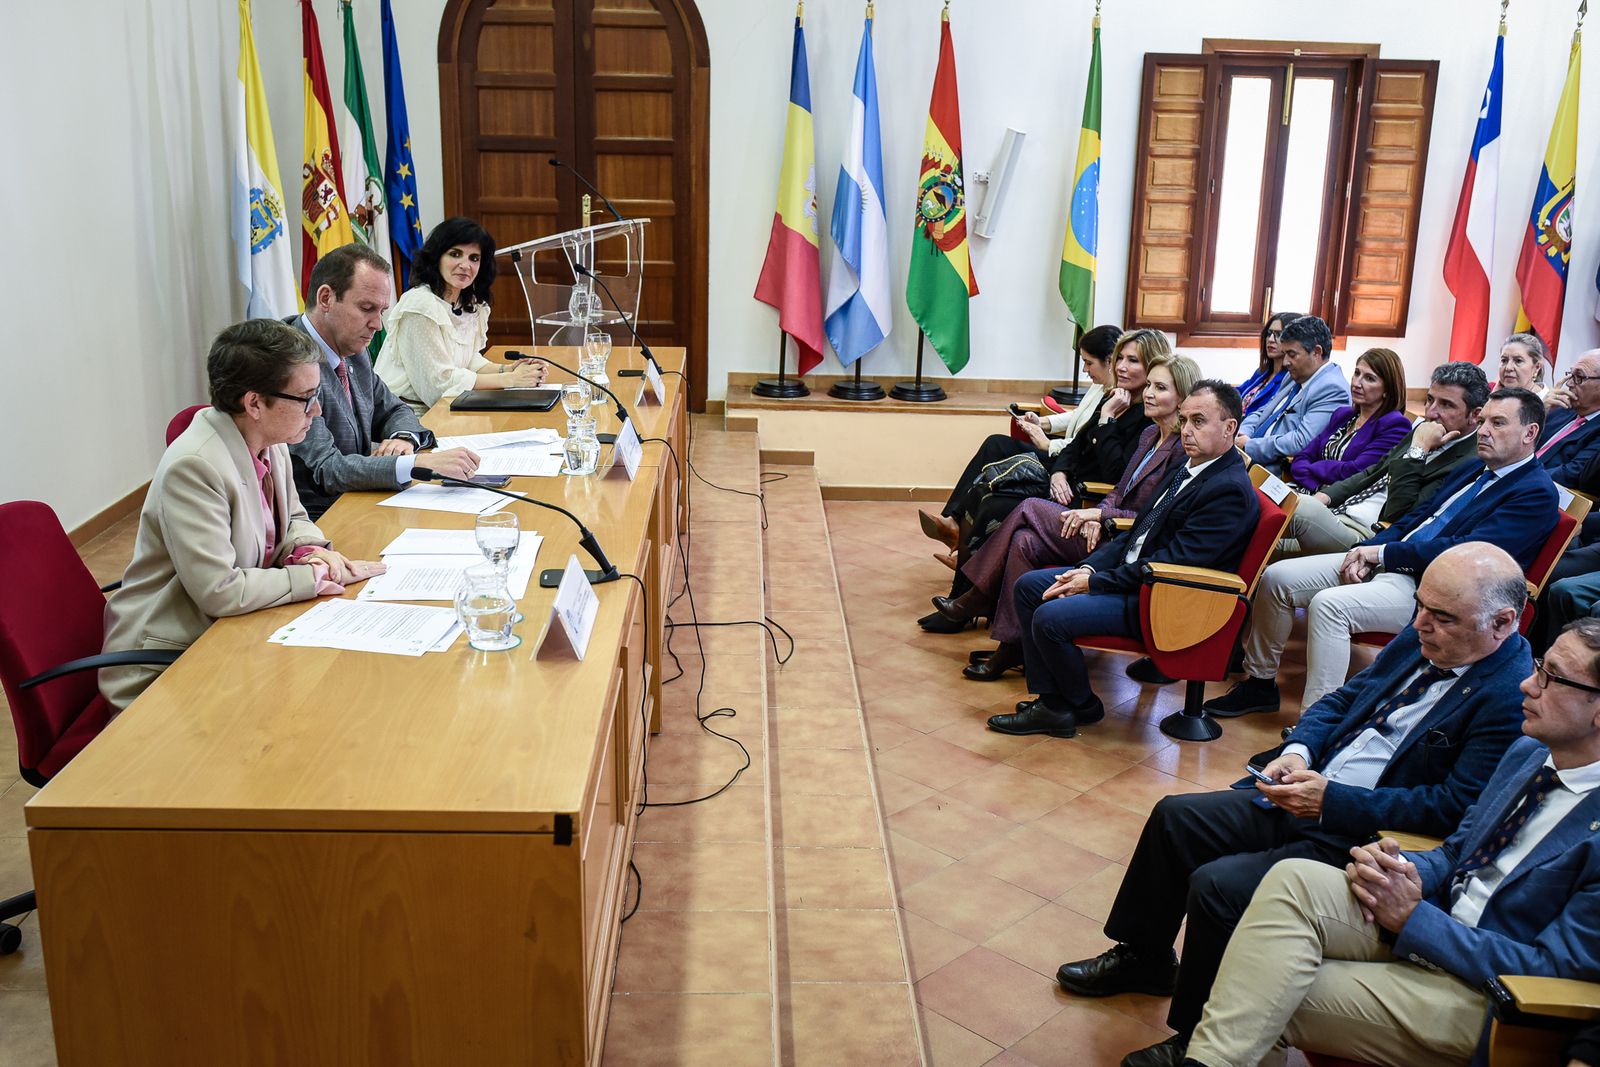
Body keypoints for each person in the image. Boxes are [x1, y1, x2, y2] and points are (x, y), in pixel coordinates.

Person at [1058, 544, 1531, 1067]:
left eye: (1441, 617)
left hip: (1363, 836)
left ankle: (1199, 1036)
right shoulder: (1428, 636)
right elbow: (1343, 700)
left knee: (1220, 886)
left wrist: (1332, 802)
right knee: (1177, 817)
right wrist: (1297, 750)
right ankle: (1144, 958)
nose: (1420, 623)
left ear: (1502, 622)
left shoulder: (1511, 695)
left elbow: (1450, 808)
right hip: (1310, 791)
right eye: (1419, 606)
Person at [1180, 617, 1600, 1067]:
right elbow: (1460, 852)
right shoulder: (1530, 752)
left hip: (1488, 994)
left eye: (1550, 677)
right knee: (1293, 879)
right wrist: (1403, 869)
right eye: (1539, 666)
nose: (1527, 684)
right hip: (1438, 918)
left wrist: (1415, 919)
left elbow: (1549, 971)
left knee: (1264, 989)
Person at [1208, 388, 1559, 714]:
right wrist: (1366, 549)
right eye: (1483, 422)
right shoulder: (1473, 468)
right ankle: (1260, 683)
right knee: (1276, 578)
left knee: (1329, 607)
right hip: (1394, 560)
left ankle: (1315, 723)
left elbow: (1463, 553)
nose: (1483, 431)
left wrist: (1385, 555)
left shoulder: (1536, 493)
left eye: (1498, 423)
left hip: (1433, 590)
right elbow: (1416, 516)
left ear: (1529, 433)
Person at [100, 320, 386, 712]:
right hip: (168, 661)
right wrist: (315, 577)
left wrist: (309, 551)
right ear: (254, 404)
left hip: (233, 630)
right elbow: (220, 590)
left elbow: (295, 518)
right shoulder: (195, 467)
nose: (316, 409)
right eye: (305, 397)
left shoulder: (271, 438)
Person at [984, 381, 1258, 739]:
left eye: (1199, 421)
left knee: (1050, 616)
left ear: (1229, 428)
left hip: (1164, 598)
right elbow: (1136, 532)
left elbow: (1172, 563)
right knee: (1029, 587)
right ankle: (1054, 702)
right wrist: (1089, 567)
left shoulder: (1228, 490)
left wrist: (1094, 583)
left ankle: (1079, 705)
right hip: (1134, 578)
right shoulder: (1191, 467)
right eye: (1185, 420)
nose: (1187, 431)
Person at [938, 356, 1200, 680]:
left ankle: (976, 596)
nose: (1147, 393)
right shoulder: (1150, 435)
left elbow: (1153, 515)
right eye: (1149, 385)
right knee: (1024, 541)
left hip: (1118, 541)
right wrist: (1097, 513)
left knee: (1030, 506)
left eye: (1159, 388)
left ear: (1183, 397)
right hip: (1099, 528)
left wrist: (1100, 514)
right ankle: (1012, 645)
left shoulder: (1181, 450)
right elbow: (1120, 490)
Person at [924, 329, 1169, 582]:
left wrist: (1106, 420)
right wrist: (1059, 472)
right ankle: (964, 582)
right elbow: (1076, 444)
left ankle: (966, 590)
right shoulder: (1116, 396)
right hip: (1066, 480)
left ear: (1152, 367)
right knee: (984, 491)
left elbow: (1117, 474)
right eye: (1121, 358)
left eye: (1133, 361)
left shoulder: (1144, 417)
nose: (1121, 367)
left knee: (992, 501)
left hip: (1085, 496)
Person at [287, 243, 483, 519]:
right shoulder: (288, 361)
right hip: (319, 519)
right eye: (367, 308)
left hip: (359, 502)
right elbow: (327, 469)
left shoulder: (353, 351)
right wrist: (417, 463)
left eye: (381, 311)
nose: (378, 325)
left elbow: (394, 409)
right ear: (326, 298)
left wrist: (403, 438)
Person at [920, 325, 1122, 554]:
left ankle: (959, 533)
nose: (1085, 369)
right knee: (995, 444)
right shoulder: (1100, 385)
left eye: (1089, 362)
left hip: (1067, 463)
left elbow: (1085, 445)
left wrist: (1048, 443)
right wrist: (1042, 423)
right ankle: (955, 523)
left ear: (1109, 360)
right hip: (1062, 454)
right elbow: (1078, 416)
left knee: (995, 467)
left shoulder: (1117, 399)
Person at [1276, 362, 1487, 558]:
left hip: (1369, 535)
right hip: (1339, 512)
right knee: (1263, 542)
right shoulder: (1424, 428)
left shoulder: (1471, 461)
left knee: (1297, 506)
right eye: (1430, 399)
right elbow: (1372, 472)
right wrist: (1325, 496)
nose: (1431, 412)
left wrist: (1418, 449)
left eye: (1446, 405)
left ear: (1475, 415)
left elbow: (1401, 512)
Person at [374, 216, 547, 415]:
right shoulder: (420, 306)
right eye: (455, 254)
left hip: (452, 407)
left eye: (474, 258)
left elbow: (467, 362)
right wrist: (511, 380)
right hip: (406, 415)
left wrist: (509, 369)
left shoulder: (469, 304)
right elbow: (438, 386)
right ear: (436, 257)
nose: (465, 265)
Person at [1284, 348, 1410, 494]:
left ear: (1388, 389)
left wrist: (1314, 467)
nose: (1357, 383)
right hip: (1312, 489)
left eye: (1369, 378)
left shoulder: (1395, 425)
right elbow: (1302, 457)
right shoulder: (1343, 415)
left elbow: (1356, 472)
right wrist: (1316, 485)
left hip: (1343, 501)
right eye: (1357, 373)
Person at [1234, 315, 1349, 474]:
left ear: (1316, 352)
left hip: (1275, 473)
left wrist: (1250, 445)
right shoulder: (1294, 375)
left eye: (1292, 354)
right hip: (1248, 458)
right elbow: (1265, 410)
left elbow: (1301, 441)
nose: (1286, 361)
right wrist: (1243, 431)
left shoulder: (1332, 389)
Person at [1533, 349, 1600, 485]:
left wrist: (1517, 477)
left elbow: (1571, 473)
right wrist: (1539, 412)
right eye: (1570, 375)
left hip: (1535, 490)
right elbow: (1514, 443)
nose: (1569, 384)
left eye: (1579, 377)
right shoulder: (1561, 408)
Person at [1238, 311, 1301, 416]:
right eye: (1269, 333)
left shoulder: (1291, 380)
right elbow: (1238, 392)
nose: (1271, 339)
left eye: (1278, 334)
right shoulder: (1262, 372)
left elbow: (1266, 415)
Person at [1496, 330, 1553, 403]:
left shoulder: (1549, 404)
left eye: (1518, 361)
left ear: (1537, 367)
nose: (1508, 368)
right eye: (1504, 360)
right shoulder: (1493, 397)